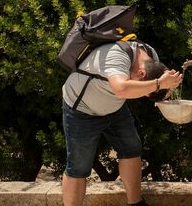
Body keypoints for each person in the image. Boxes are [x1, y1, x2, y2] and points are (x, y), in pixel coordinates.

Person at [61, 40, 183, 206]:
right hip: (82, 109)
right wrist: (159, 84)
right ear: (141, 74)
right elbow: (122, 89)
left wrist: (167, 86)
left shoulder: (151, 56)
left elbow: (151, 81)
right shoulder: (115, 55)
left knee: (131, 149)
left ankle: (135, 204)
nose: (142, 94)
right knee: (78, 166)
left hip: (115, 107)